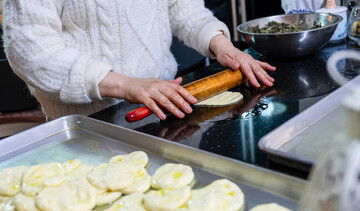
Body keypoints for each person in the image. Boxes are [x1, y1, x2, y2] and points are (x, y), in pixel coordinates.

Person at [3, 0, 275, 121]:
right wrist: (126, 85)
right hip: (88, 125)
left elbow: (182, 8)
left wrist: (222, 45)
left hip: (166, 110)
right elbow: (31, 50)